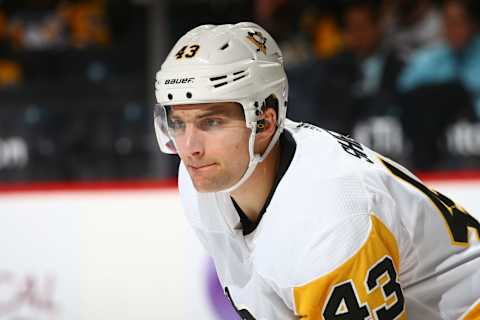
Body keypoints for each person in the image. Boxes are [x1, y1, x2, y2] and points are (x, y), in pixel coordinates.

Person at [153, 22, 480, 319]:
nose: (190, 147)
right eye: (178, 123)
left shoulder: (331, 218)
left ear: (265, 121)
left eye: (211, 122)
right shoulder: (202, 177)